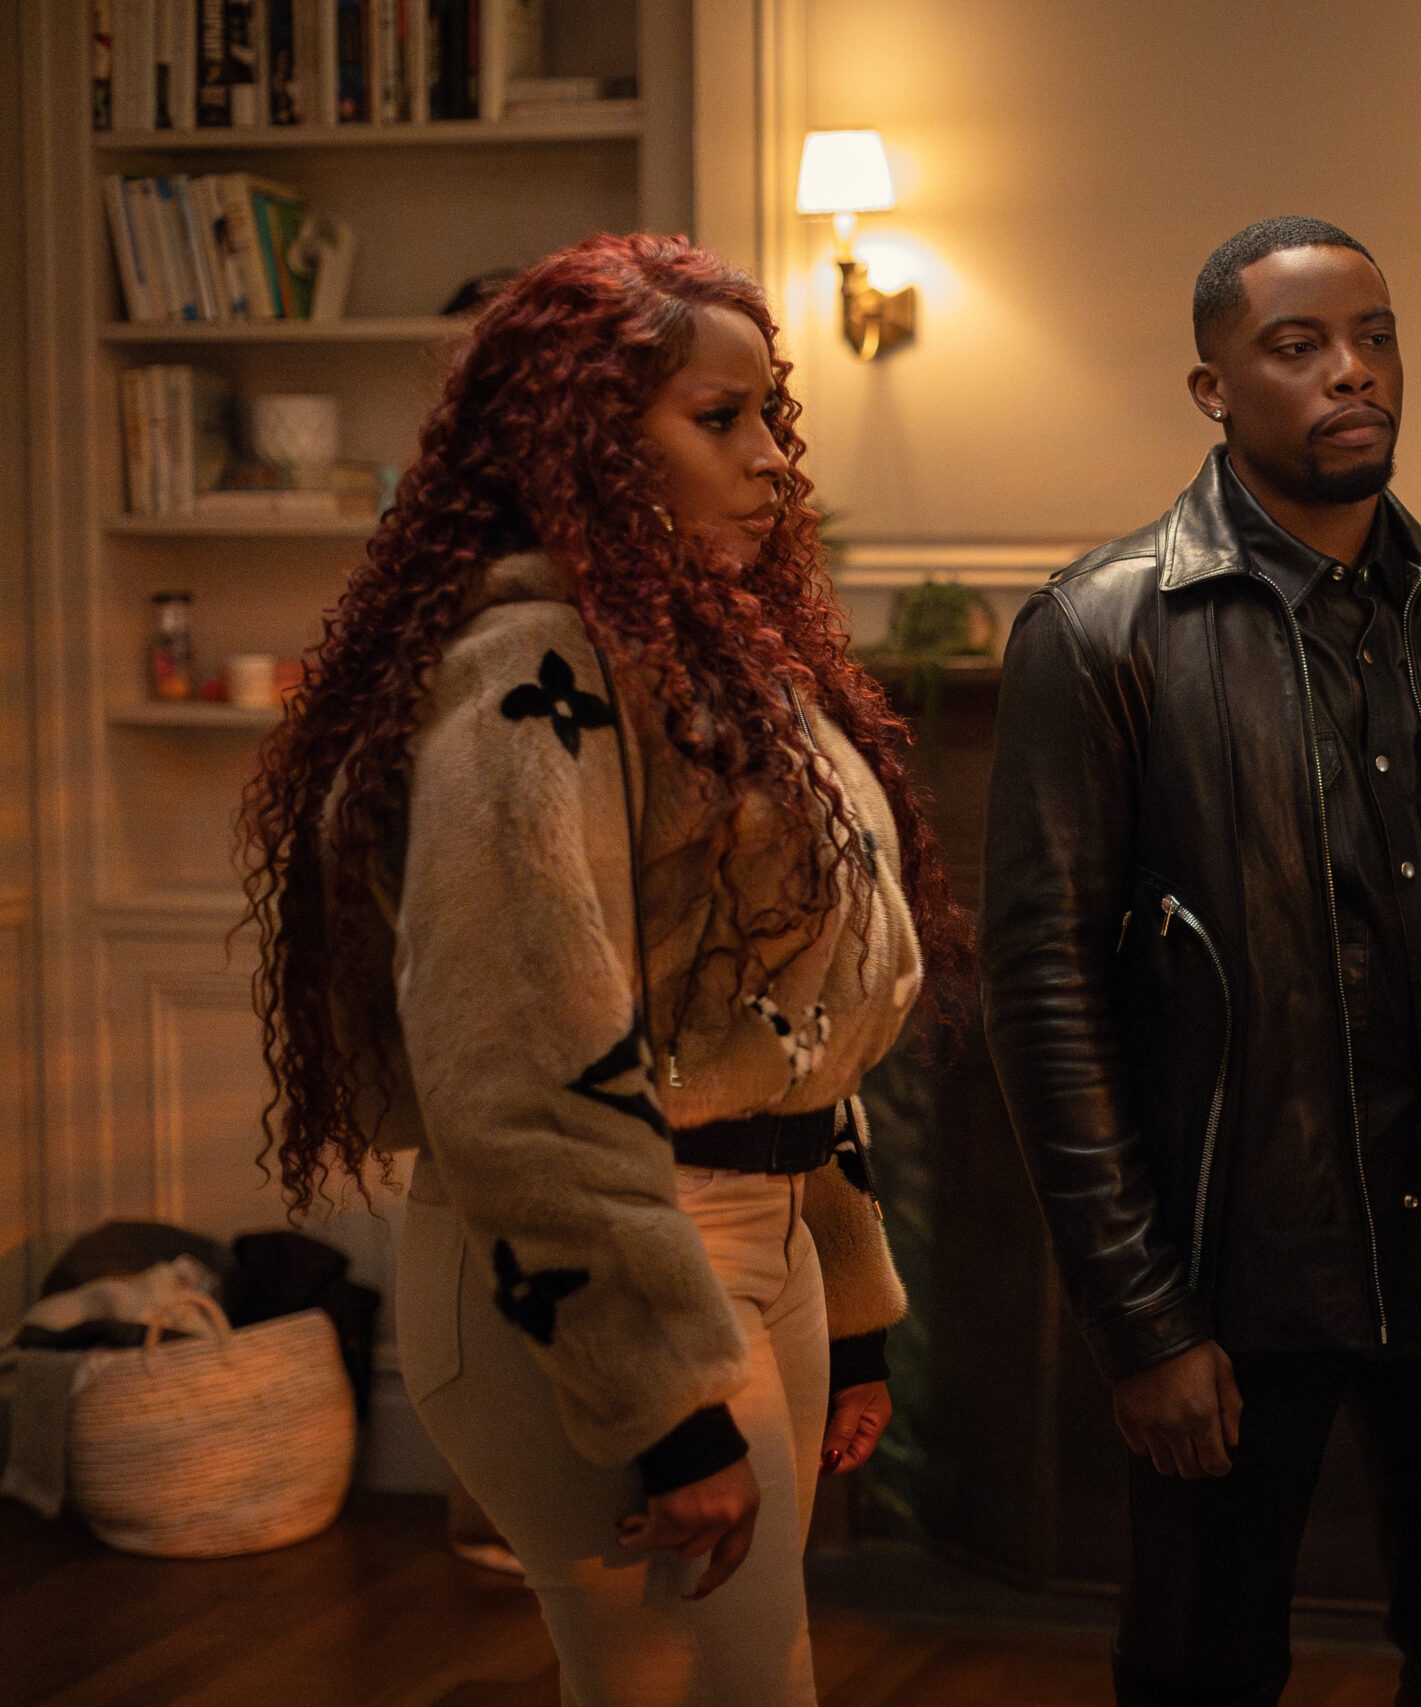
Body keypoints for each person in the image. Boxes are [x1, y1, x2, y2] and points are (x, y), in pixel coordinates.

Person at [241, 233, 968, 1707]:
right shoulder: (532, 679)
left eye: (771, 416)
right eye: (721, 418)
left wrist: (846, 1286)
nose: (772, 459)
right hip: (604, 1269)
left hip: (751, 1246)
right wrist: (667, 1405)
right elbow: (517, 1074)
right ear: (587, 443)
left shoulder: (714, 661)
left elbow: (785, 1016)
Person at [979, 216, 1421, 1707]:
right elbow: (1043, 996)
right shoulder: (1101, 630)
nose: (1354, 371)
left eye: (1376, 336)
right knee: (1200, 1669)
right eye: (1300, 346)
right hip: (1239, 1277)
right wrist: (1140, 1318)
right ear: (1213, 389)